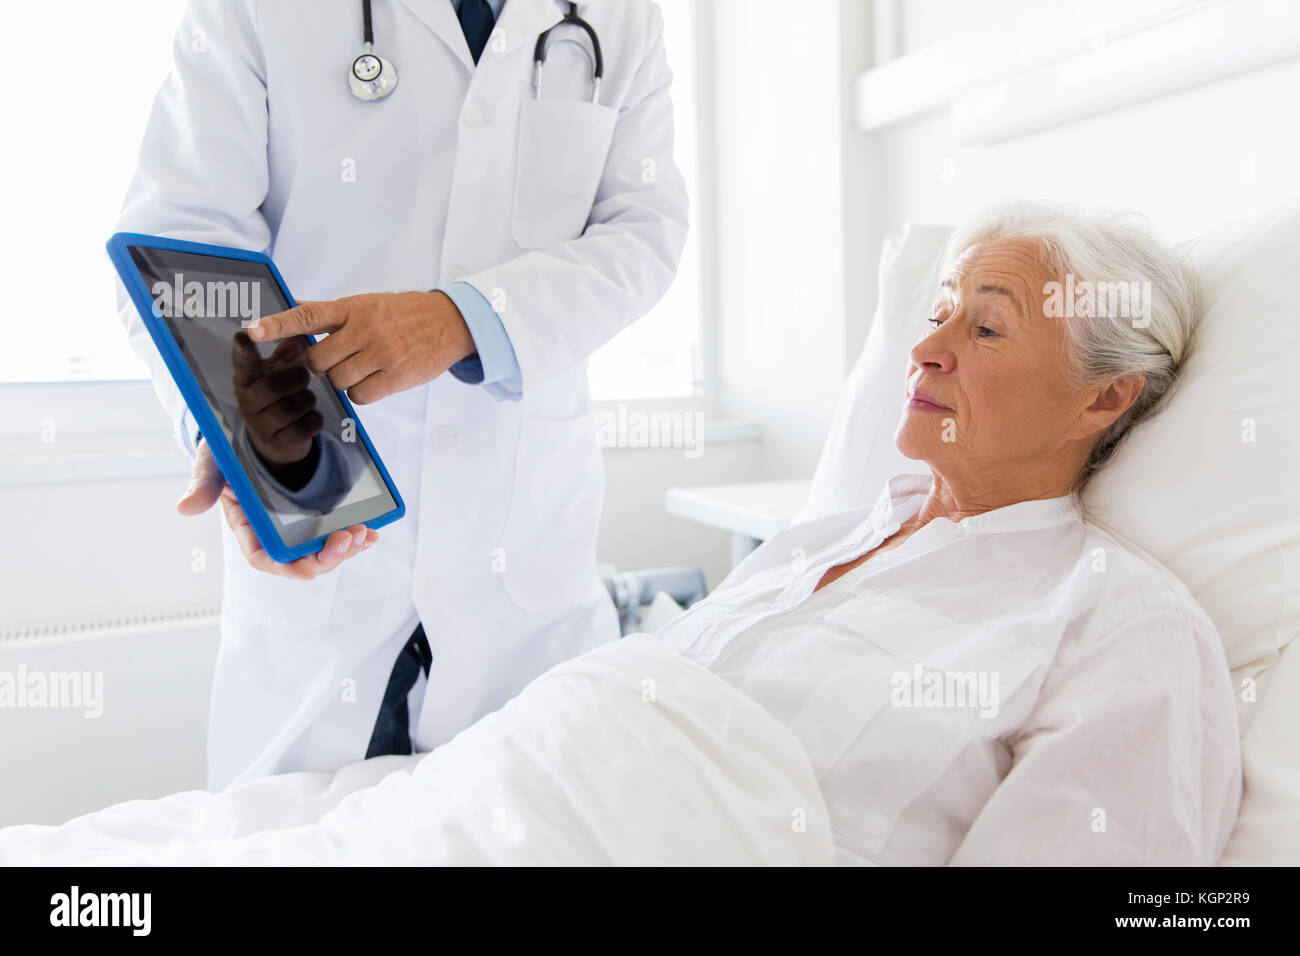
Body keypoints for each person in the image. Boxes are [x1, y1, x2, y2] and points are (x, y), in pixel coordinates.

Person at [7, 202, 1236, 865]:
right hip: (494, 788)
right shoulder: (833, 537)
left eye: (987, 326)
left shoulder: (1116, 626)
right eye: (934, 313)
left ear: (1103, 395)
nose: (924, 348)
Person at [114, 0, 689, 789]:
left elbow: (644, 229)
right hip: (324, 532)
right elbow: (182, 243)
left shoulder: (618, 16)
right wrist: (244, 446)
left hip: (524, 554)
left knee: (531, 822)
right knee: (294, 836)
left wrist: (461, 320)